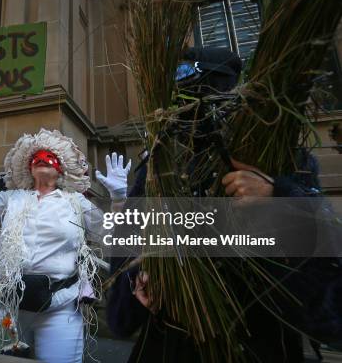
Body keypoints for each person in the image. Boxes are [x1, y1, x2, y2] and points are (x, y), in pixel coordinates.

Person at [106, 47, 341, 362]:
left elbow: (325, 286)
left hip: (258, 345)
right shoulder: (158, 167)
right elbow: (122, 293)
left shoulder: (282, 159)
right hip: (169, 345)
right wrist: (141, 276)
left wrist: (279, 197)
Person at [0, 128, 130, 362]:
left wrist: (119, 199)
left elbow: (111, 233)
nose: (42, 158)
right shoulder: (12, 197)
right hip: (9, 307)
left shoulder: (76, 202)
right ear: (28, 167)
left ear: (61, 169)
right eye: (36, 157)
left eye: (50, 157)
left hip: (61, 307)